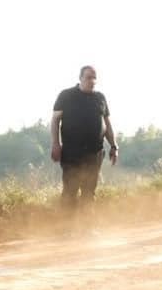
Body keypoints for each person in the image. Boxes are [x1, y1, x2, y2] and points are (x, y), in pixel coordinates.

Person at [50, 65, 118, 221]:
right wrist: (55, 144)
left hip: (95, 153)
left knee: (89, 191)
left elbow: (106, 124)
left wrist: (114, 146)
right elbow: (55, 121)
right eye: (88, 77)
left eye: (94, 78)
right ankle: (66, 229)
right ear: (80, 78)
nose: (92, 81)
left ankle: (86, 229)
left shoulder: (100, 98)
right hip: (72, 153)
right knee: (70, 191)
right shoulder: (66, 95)